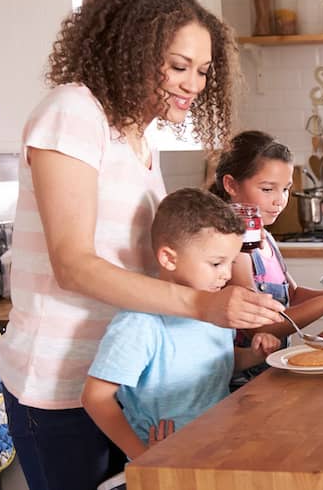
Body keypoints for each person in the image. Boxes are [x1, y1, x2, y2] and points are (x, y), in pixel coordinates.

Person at [0, 0, 284, 490]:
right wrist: (202, 307)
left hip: (133, 382)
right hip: (63, 383)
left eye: (202, 71)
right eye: (178, 66)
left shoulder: (137, 136)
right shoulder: (72, 112)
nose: (193, 84)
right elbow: (74, 264)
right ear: (128, 50)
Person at [81, 188, 281, 463]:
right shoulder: (140, 324)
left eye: (231, 262)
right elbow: (96, 397)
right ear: (169, 258)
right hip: (169, 460)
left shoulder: (215, 310)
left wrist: (255, 355)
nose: (226, 274)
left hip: (219, 445)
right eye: (216, 263)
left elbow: (214, 363)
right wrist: (142, 455)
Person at [209, 130, 323, 347]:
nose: (279, 200)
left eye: (285, 189)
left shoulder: (265, 237)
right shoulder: (234, 246)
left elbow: (292, 295)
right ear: (231, 185)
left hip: (270, 367)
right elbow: (260, 328)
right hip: (244, 378)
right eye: (267, 189)